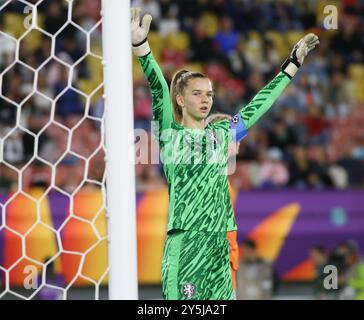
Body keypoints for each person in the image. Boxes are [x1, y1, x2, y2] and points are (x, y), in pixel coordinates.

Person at [131, 7, 319, 300]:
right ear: (180, 99)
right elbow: (157, 87)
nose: (205, 99)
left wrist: (291, 66)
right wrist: (143, 49)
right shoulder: (171, 134)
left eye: (209, 94)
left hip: (220, 245)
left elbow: (259, 105)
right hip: (187, 242)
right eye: (197, 93)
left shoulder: (222, 134)